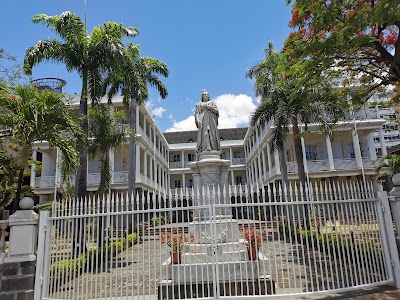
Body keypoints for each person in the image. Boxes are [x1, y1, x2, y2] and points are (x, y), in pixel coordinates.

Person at [194, 90, 220, 155]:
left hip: (211, 121)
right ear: (202, 96)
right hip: (203, 121)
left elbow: (217, 112)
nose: (206, 96)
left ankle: (213, 148)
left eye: (207, 94)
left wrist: (211, 108)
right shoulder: (199, 104)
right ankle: (205, 149)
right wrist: (197, 120)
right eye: (205, 95)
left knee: (213, 134)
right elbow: (197, 113)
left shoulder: (212, 103)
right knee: (204, 135)